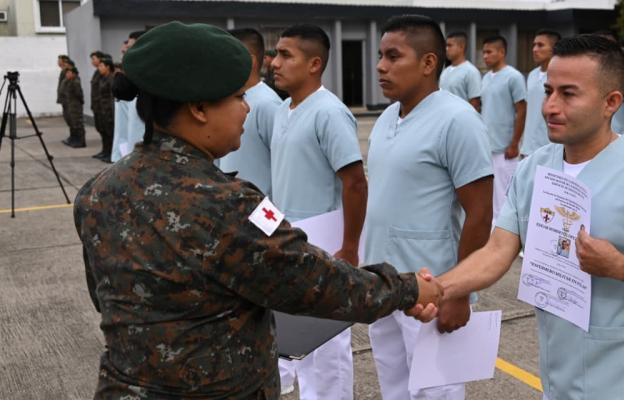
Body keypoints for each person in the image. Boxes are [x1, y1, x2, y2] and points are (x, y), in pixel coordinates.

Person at [74, 21, 442, 400]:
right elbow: (317, 284)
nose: (247, 108)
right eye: (237, 97)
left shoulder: (96, 193)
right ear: (198, 108)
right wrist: (409, 288)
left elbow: (106, 299)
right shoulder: (226, 204)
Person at [436, 35, 624, 400]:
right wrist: (436, 289)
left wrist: (621, 267)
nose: (550, 106)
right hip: (559, 377)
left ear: (610, 102)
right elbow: (497, 250)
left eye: (568, 94)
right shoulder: (535, 168)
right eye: (548, 91)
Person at [366, 14, 493, 400]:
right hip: (383, 282)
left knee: (435, 392)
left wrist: (459, 292)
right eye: (380, 56)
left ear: (428, 63)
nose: (381, 66)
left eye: (393, 56)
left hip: (432, 289)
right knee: (393, 388)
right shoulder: (387, 116)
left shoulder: (458, 120)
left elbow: (480, 213)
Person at [268, 24, 367, 399]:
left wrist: (350, 246)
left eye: (285, 55)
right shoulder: (283, 110)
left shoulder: (329, 112)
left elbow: (355, 182)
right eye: (276, 54)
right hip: (289, 239)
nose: (275, 63)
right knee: (296, 338)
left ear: (314, 64)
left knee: (325, 348)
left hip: (324, 241)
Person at [217, 28, 282, 196]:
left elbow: (284, 166)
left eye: (227, 55)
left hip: (259, 207)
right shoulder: (224, 100)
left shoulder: (268, 104)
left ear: (249, 61)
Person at [480, 35, 526, 221]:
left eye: (489, 52)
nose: (485, 56)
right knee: (490, 196)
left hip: (505, 149)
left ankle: (505, 234)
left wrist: (514, 143)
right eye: (483, 52)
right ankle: (492, 233)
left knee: (504, 197)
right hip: (487, 147)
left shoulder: (513, 77)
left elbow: (522, 110)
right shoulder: (486, 78)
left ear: (502, 52)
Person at [520, 29, 560, 157]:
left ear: (553, 49)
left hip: (549, 148)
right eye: (534, 45)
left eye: (540, 45)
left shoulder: (560, 76)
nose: (534, 49)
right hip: (527, 148)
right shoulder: (532, 75)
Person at [111, 30, 147, 162]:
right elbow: (122, 129)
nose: (124, 52)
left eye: (130, 48)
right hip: (131, 157)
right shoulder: (127, 83)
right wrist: (118, 157)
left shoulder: (153, 83)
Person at [440, 31, 481, 111]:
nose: (446, 49)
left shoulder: (471, 71)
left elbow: (475, 104)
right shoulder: (445, 71)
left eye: (450, 45)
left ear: (461, 47)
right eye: (446, 46)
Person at [93, 56, 115, 162]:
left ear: (108, 67)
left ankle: (111, 154)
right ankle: (105, 151)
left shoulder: (111, 79)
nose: (99, 68)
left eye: (101, 66)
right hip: (101, 110)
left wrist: (112, 113)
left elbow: (112, 97)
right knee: (104, 132)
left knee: (110, 133)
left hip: (108, 111)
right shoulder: (102, 78)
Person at [59, 61, 86, 148]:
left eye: (69, 73)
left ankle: (81, 141)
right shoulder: (68, 81)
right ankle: (74, 139)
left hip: (75, 106)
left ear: (74, 74)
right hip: (69, 105)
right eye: (67, 73)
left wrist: (79, 103)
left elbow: (79, 94)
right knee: (72, 123)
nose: (67, 74)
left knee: (78, 124)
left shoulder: (75, 82)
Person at [56, 55, 70, 128]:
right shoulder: (63, 71)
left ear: (64, 62)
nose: (58, 62)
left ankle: (75, 134)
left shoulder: (68, 72)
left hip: (67, 99)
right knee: (66, 116)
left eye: (59, 61)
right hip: (64, 99)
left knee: (70, 117)